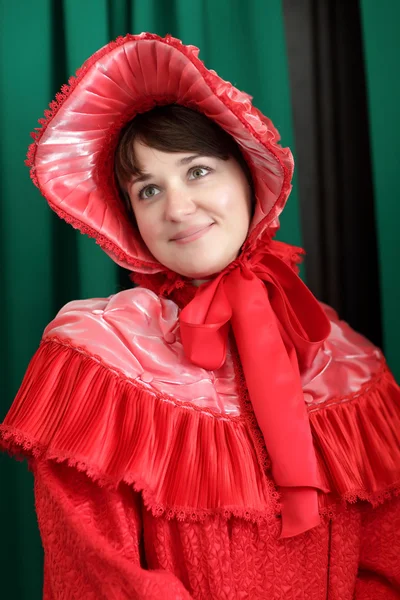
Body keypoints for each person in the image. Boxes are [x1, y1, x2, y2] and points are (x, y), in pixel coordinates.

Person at [1, 32, 399, 600]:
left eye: (197, 171)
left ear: (248, 173)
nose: (177, 208)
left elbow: (387, 562)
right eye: (147, 190)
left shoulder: (348, 359)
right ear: (130, 217)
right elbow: (98, 573)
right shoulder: (95, 355)